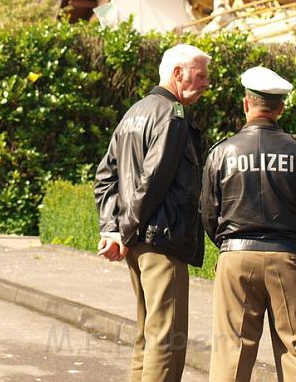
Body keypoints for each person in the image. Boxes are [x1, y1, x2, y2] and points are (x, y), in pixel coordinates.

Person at [202, 66, 296, 382]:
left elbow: (207, 213)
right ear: (281, 108)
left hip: (236, 255)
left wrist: (230, 246)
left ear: (246, 104)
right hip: (291, 256)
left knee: (231, 350)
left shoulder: (221, 152)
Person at [94, 43, 210, 382]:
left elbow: (104, 177)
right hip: (160, 241)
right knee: (166, 340)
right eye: (200, 76)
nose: (206, 84)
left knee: (148, 334)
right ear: (178, 74)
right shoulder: (172, 115)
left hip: (138, 242)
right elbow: (154, 180)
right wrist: (125, 231)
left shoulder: (133, 113)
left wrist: (113, 230)